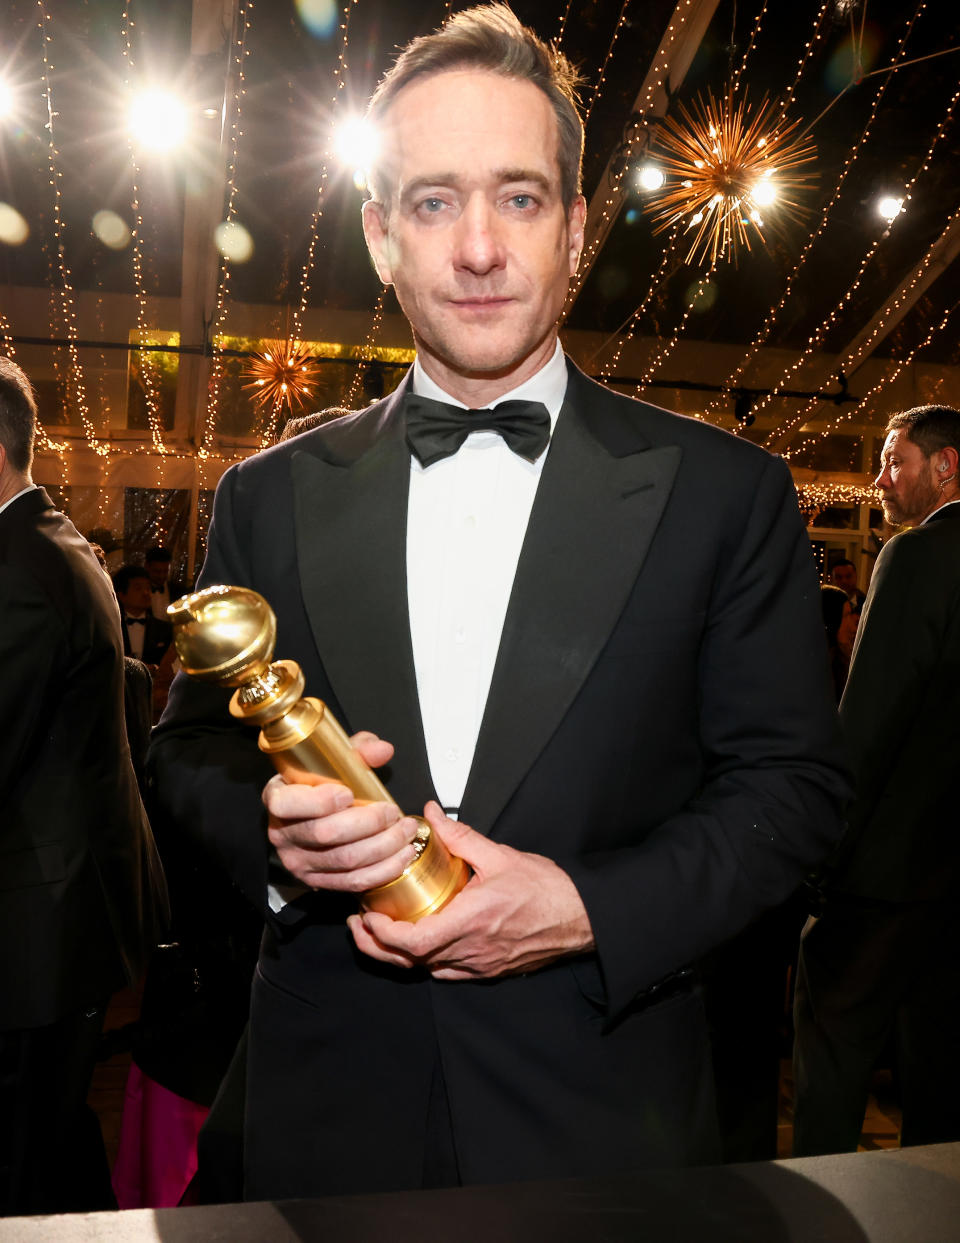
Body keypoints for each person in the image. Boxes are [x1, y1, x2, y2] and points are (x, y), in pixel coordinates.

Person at [150, 5, 848, 1200]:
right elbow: (185, 762)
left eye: (520, 198)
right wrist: (276, 831)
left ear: (577, 229)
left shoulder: (727, 494)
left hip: (607, 1117)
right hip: (321, 1115)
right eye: (432, 202)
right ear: (379, 236)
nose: (478, 247)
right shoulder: (267, 495)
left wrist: (585, 907)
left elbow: (795, 795)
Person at [0, 356, 166, 1216]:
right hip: (68, 913)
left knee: (20, 1173)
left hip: (36, 929)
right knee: (55, 1149)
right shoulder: (54, 541)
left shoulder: (18, 569)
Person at [793, 404, 960, 1155]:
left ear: (945, 466)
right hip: (953, 886)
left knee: (832, 1061)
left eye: (894, 460)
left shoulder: (918, 556)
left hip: (881, 882)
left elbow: (868, 726)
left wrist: (819, 862)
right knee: (941, 1085)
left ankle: (821, 1216)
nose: (879, 479)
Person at [145, 545, 187, 621]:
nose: (161, 576)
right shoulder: (140, 592)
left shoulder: (178, 591)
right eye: (157, 571)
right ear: (147, 567)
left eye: (165, 571)